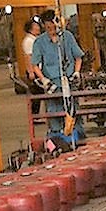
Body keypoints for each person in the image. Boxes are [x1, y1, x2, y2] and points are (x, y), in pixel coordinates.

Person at [30, 9, 84, 137]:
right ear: (44, 26)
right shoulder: (40, 42)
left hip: (69, 82)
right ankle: (57, 138)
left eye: (53, 27)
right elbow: (35, 65)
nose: (51, 30)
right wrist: (44, 80)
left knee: (73, 114)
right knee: (54, 115)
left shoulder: (67, 37)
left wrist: (76, 72)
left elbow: (78, 57)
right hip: (52, 85)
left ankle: (77, 138)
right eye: (48, 27)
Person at [21, 17, 44, 112]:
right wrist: (31, 72)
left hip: (38, 69)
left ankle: (36, 114)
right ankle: (34, 114)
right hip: (34, 70)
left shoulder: (35, 39)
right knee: (36, 94)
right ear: (30, 28)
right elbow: (28, 57)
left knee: (39, 93)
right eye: (36, 26)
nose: (38, 27)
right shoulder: (29, 41)